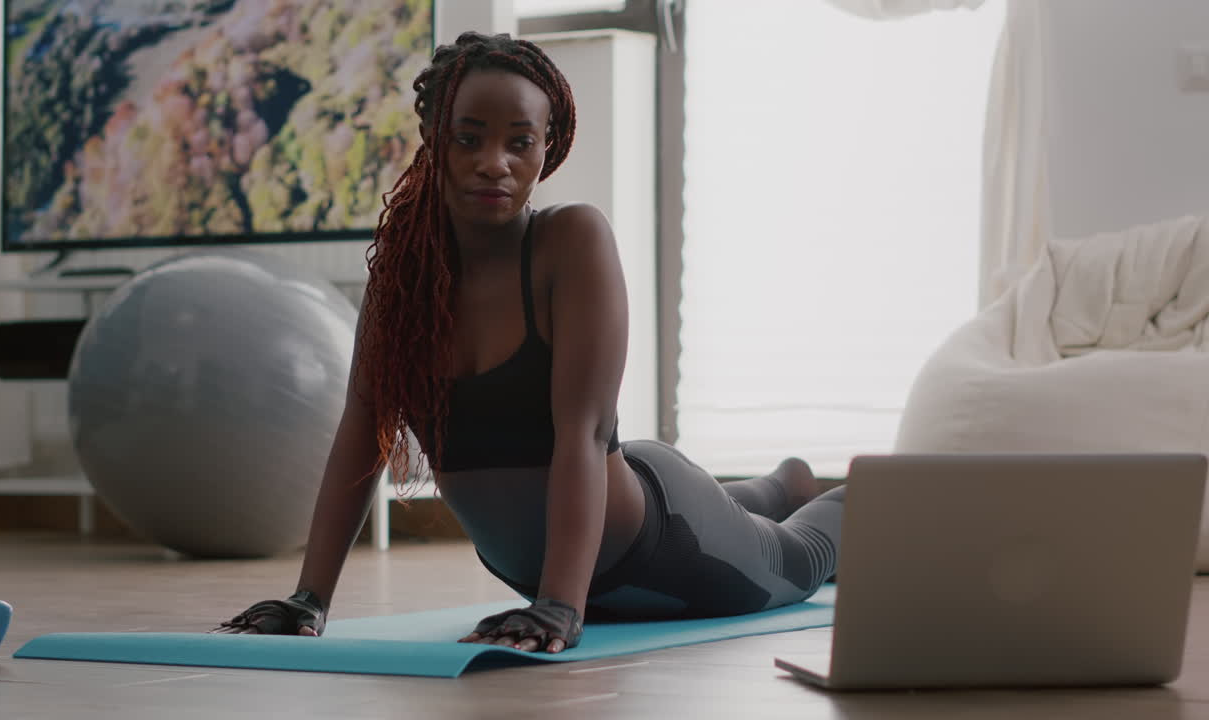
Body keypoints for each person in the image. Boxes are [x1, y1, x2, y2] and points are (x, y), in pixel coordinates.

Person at [213, 31, 845, 654]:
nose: (496, 162)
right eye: (469, 139)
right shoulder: (403, 276)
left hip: (662, 546)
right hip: (538, 571)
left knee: (804, 556)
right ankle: (776, 486)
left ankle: (816, 490)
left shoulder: (569, 241)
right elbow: (362, 430)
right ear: (436, 141)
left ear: (549, 148)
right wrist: (310, 598)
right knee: (754, 512)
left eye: (520, 143)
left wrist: (560, 606)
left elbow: (585, 436)